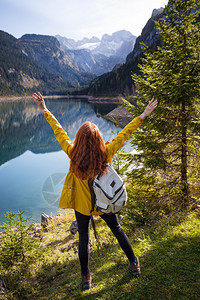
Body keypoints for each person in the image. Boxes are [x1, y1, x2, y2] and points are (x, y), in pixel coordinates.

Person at [32, 92, 158, 289]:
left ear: (79, 139)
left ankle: (85, 277)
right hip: (104, 203)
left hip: (82, 207)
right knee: (117, 229)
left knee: (84, 238)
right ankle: (134, 262)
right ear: (99, 139)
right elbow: (125, 134)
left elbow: (59, 132)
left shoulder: (72, 153)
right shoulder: (105, 153)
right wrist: (143, 114)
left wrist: (45, 110)